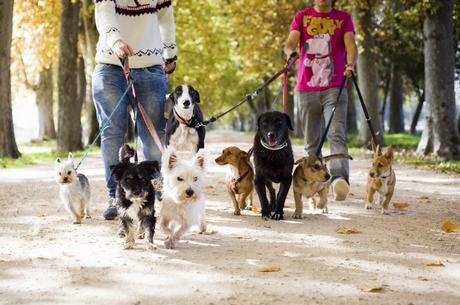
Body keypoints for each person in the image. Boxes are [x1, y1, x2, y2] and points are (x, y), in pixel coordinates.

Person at [92, 0, 177, 220]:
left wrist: (170, 52)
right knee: (112, 133)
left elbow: (166, 17)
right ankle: (115, 196)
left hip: (150, 67)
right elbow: (104, 13)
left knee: (152, 134)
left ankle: (154, 190)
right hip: (110, 66)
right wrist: (115, 40)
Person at [284, 0, 357, 201]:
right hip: (306, 88)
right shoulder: (302, 16)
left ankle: (339, 180)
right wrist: (291, 53)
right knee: (311, 141)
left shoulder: (343, 18)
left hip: (335, 86)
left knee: (336, 133)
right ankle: (313, 183)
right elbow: (291, 42)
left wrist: (350, 64)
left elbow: (351, 44)